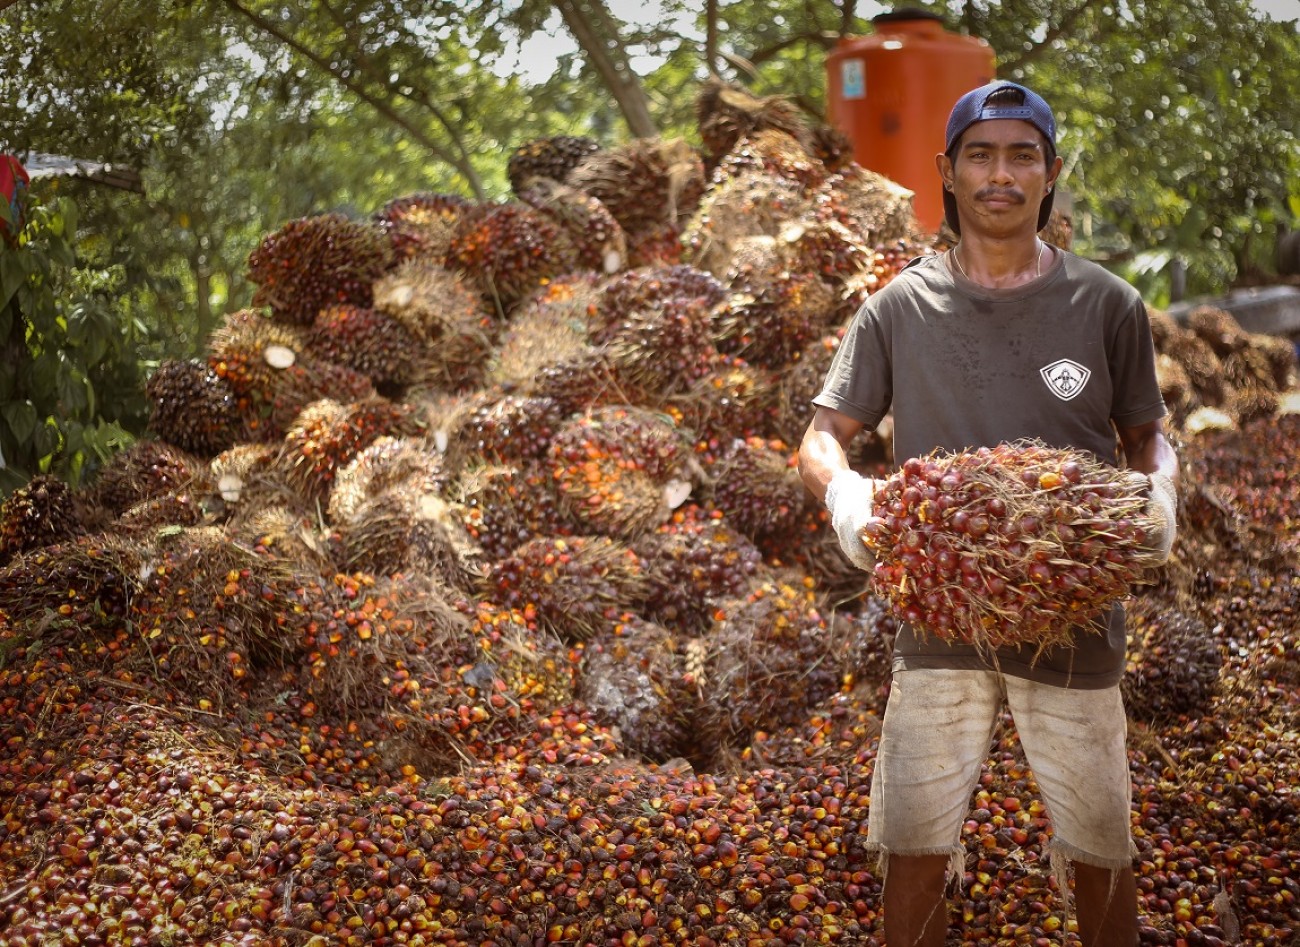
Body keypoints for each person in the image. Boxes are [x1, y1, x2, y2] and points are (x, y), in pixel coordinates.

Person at [797, 80, 1179, 946]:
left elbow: (1148, 436)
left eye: (1021, 155)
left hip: (1075, 618)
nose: (1000, 174)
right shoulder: (899, 307)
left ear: (1049, 174)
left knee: (1099, 842)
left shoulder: (1107, 304)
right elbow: (824, 434)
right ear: (948, 171)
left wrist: (1159, 493)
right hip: (940, 618)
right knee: (914, 839)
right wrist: (850, 496)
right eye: (981, 154)